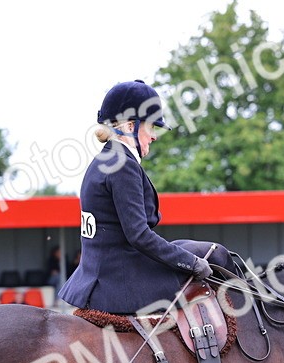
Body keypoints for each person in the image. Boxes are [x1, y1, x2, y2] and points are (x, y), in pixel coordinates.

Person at [59, 80, 231, 314]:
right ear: (130, 126)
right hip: (120, 279)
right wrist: (190, 262)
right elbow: (139, 235)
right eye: (151, 128)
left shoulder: (103, 160)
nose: (154, 136)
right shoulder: (123, 165)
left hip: (98, 272)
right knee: (210, 263)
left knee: (196, 249)